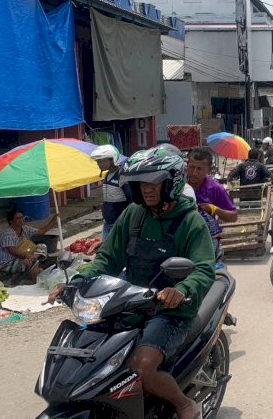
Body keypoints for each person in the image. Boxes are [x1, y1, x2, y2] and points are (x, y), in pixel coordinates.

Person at [47, 147, 215, 419]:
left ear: (171, 182)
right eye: (141, 183)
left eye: (153, 182)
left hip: (170, 312)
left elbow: (204, 269)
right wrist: (75, 283)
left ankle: (184, 404)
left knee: (141, 366)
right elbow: (107, 259)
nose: (146, 189)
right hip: (129, 302)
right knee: (87, 355)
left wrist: (180, 290)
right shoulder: (132, 215)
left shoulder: (191, 222)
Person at [187, 148, 239, 250]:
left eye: (199, 169)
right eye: (191, 167)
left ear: (209, 170)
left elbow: (233, 217)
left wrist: (215, 209)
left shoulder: (215, 188)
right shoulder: (178, 184)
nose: (194, 173)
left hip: (206, 241)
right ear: (187, 164)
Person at [0, 209, 58, 283]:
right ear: (11, 221)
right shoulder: (7, 234)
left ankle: (33, 258)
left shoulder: (25, 229)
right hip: (7, 263)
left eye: (22, 217)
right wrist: (26, 256)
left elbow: (42, 231)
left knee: (42, 246)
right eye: (17, 218)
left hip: (23, 256)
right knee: (32, 262)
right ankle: (36, 284)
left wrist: (54, 220)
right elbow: (12, 251)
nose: (21, 219)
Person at [90, 145, 130, 241]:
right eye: (98, 161)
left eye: (102, 161)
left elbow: (130, 200)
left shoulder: (122, 175)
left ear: (113, 159)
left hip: (119, 224)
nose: (99, 164)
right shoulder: (107, 175)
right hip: (107, 222)